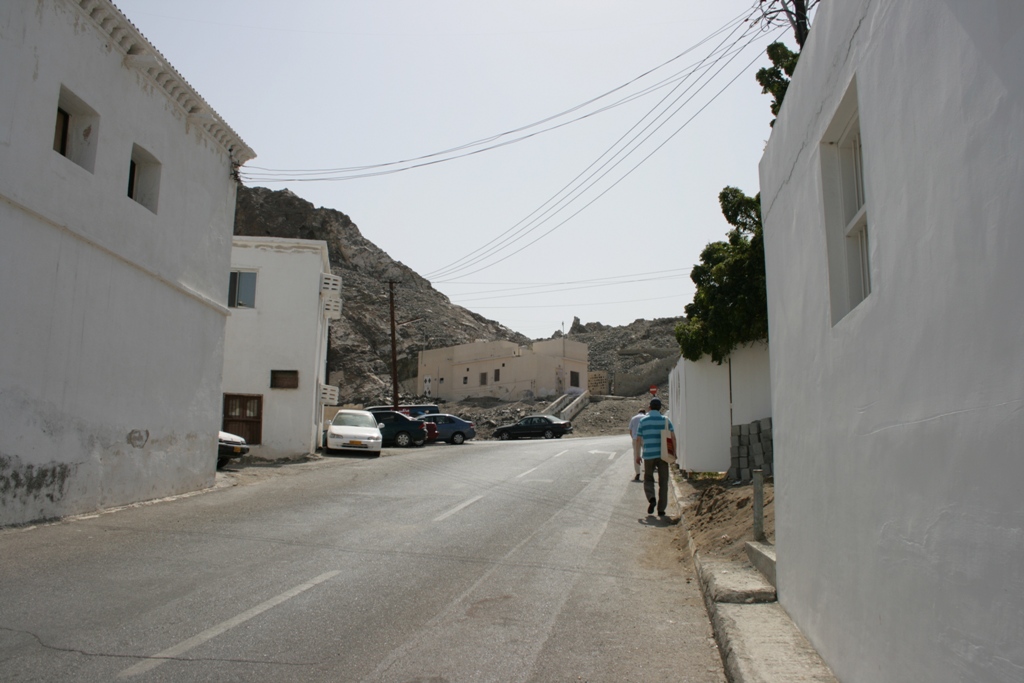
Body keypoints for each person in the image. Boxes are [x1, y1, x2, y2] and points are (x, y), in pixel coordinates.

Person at [635, 397, 676, 516]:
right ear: (660, 408)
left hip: (648, 454)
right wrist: (674, 453)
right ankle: (661, 509)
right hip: (663, 455)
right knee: (663, 481)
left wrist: (637, 455)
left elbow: (638, 439)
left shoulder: (643, 421)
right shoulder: (666, 420)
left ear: (650, 407)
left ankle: (651, 498)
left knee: (648, 478)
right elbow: (673, 438)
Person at [627, 409, 646, 481]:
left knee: (636, 455)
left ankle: (637, 473)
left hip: (635, 438)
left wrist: (633, 438)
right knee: (646, 455)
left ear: (638, 412)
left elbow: (630, 430)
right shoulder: (646, 417)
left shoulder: (633, 418)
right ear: (644, 413)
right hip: (645, 438)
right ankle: (647, 472)